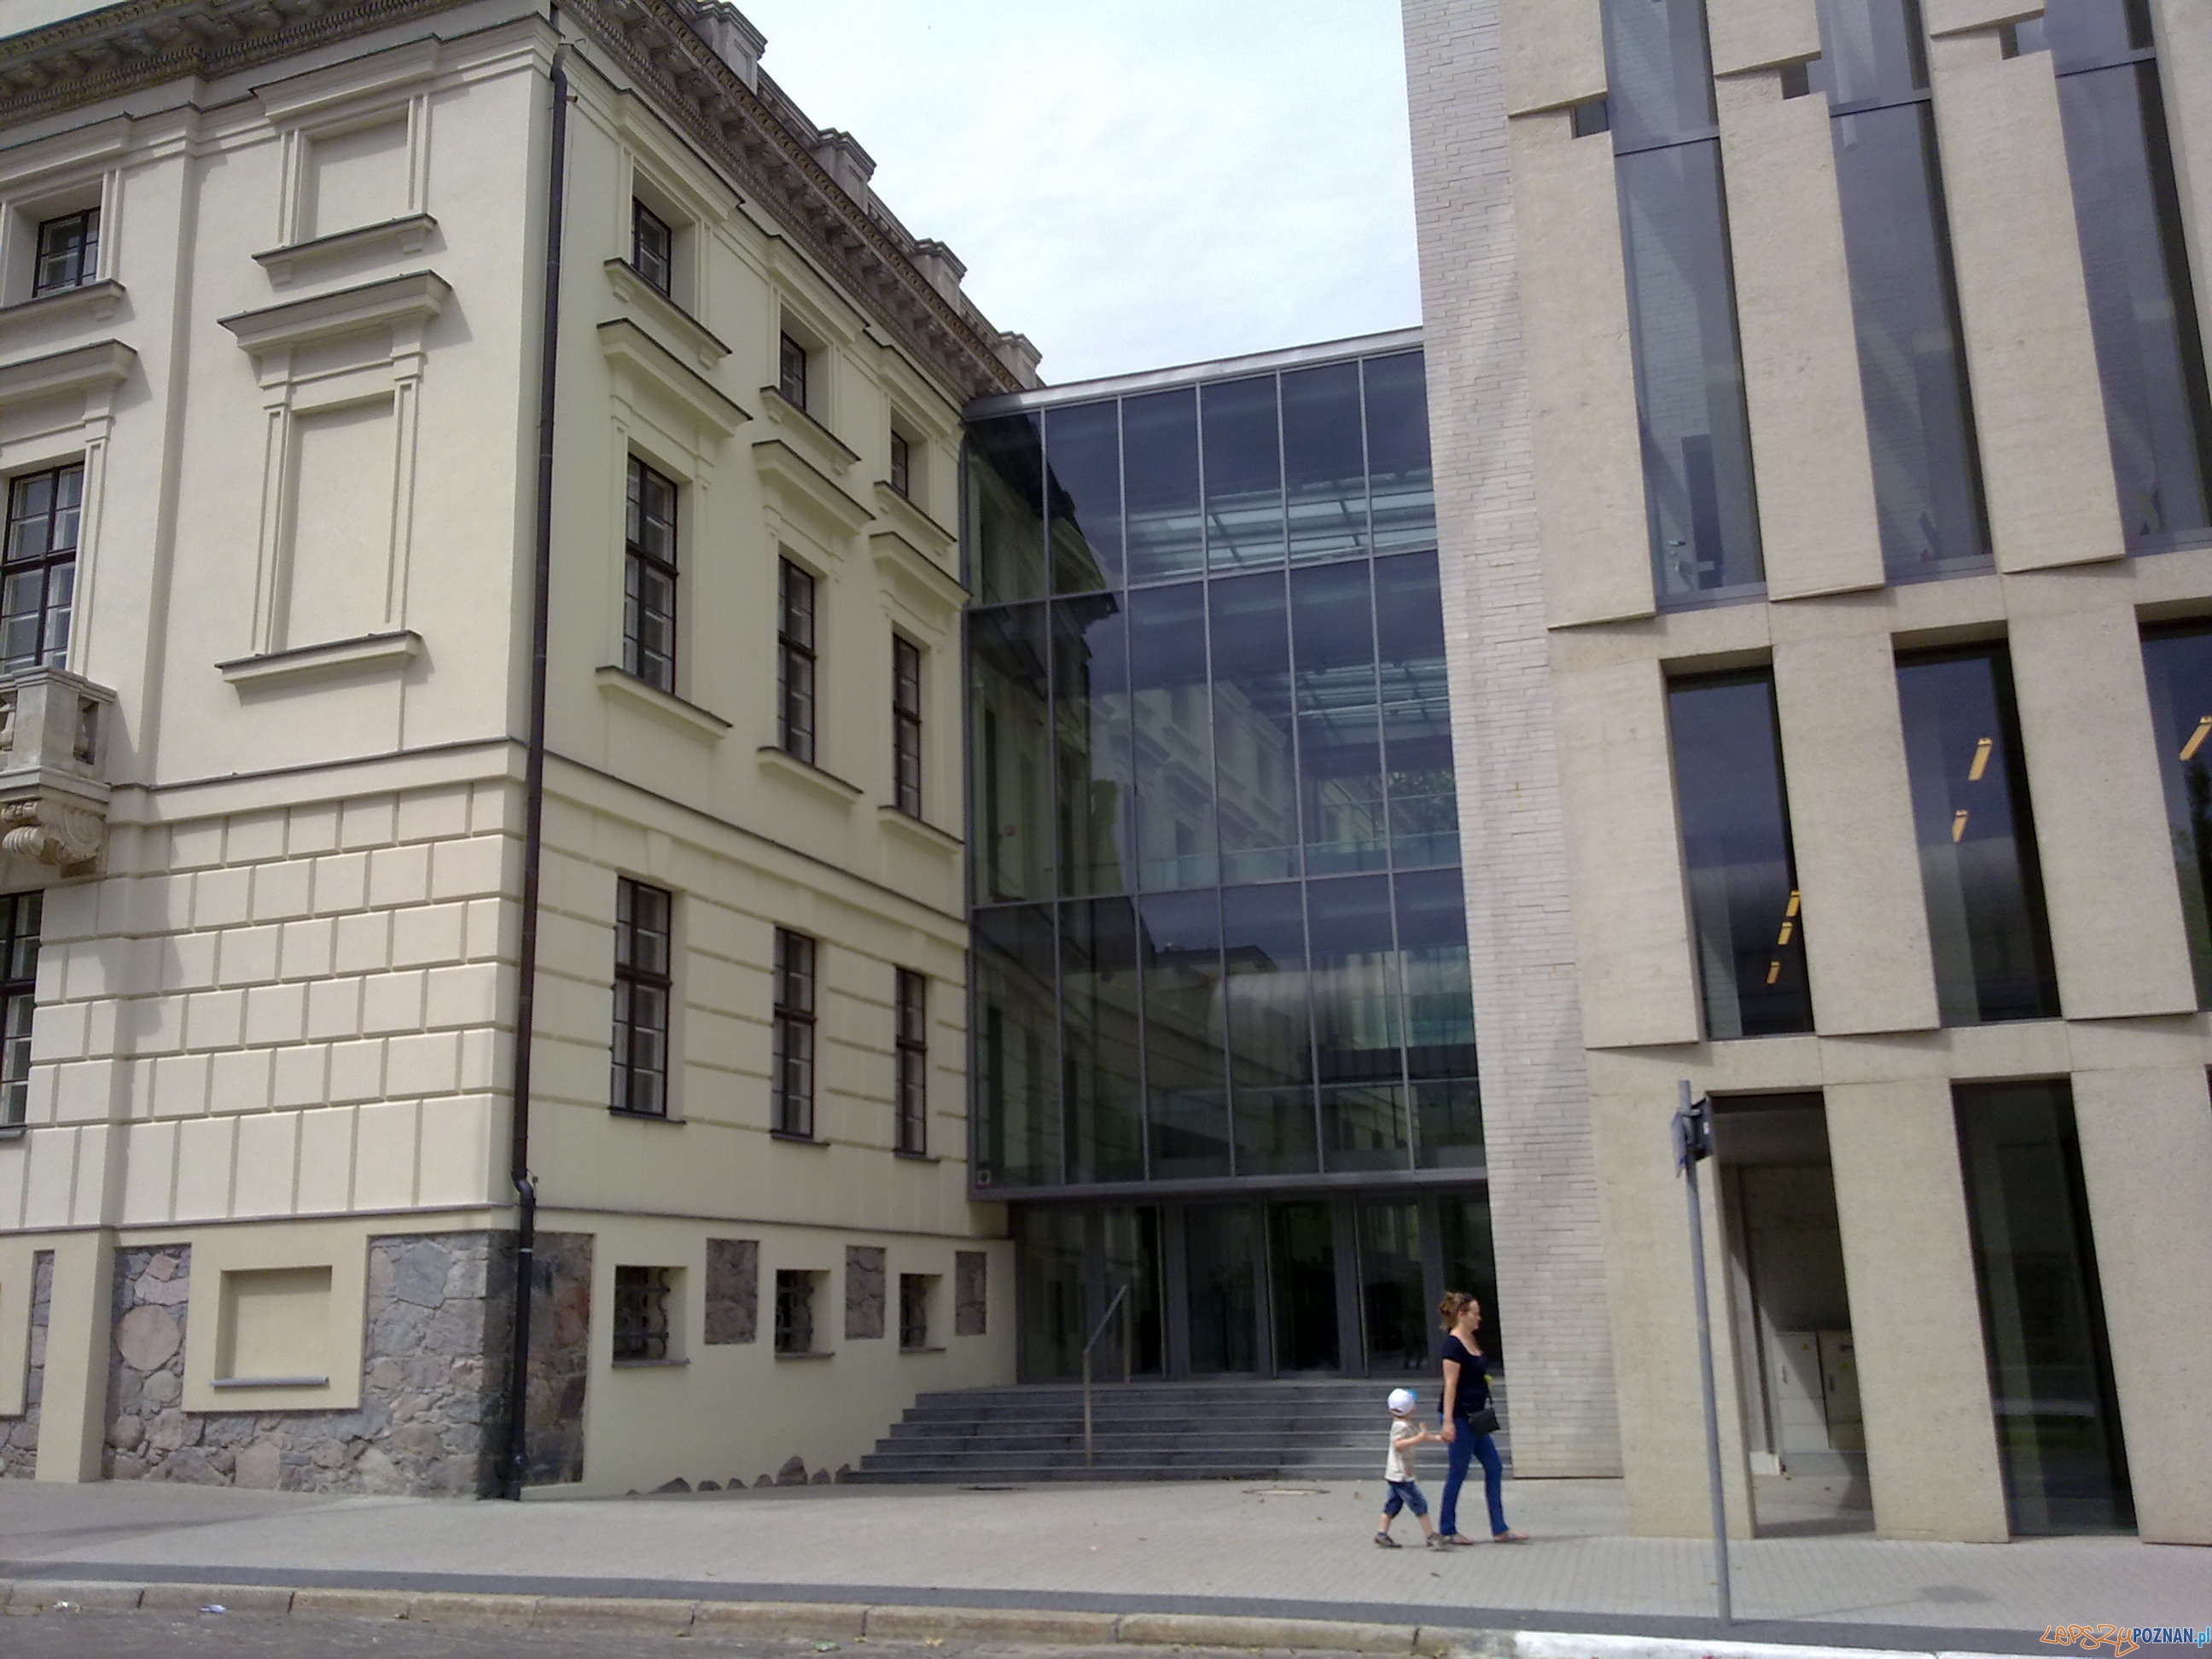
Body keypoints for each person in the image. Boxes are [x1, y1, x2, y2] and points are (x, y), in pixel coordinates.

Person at [1435, 1290, 1528, 1544]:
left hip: (1476, 1416)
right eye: (1475, 1313)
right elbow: (1450, 1384)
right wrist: (1448, 1422)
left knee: (1494, 1466)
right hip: (1460, 1417)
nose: (1479, 1318)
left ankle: (1500, 1528)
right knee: (1458, 1471)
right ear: (1462, 1315)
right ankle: (1447, 1528)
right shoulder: (1452, 1345)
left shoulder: (1472, 1341)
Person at [1374, 1386, 1447, 1550]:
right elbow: (1398, 1444)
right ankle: (1430, 1536)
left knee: (1393, 1504)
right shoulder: (1400, 1427)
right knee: (1419, 1503)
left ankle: (1381, 1533)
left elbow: (1420, 1437)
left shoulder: (1405, 1424)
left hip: (1396, 1474)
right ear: (1412, 1409)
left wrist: (1438, 1438)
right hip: (1401, 1475)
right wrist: (1419, 1438)